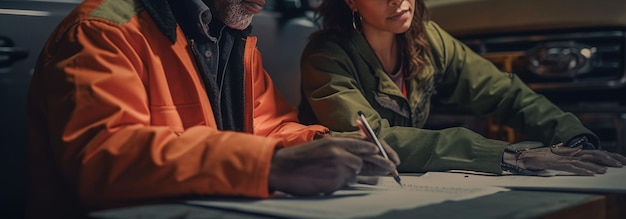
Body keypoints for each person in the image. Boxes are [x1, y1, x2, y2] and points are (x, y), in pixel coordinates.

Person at [24, 0, 401, 218]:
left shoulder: (230, 37)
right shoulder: (104, 31)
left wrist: (326, 143)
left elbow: (270, 128)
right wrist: (269, 165)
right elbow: (104, 157)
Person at [298, 0, 626, 176]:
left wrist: (574, 138)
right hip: (348, 189)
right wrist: (508, 155)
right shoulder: (326, 57)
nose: (398, 0)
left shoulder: (428, 39)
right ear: (351, 1)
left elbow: (503, 92)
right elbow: (375, 139)